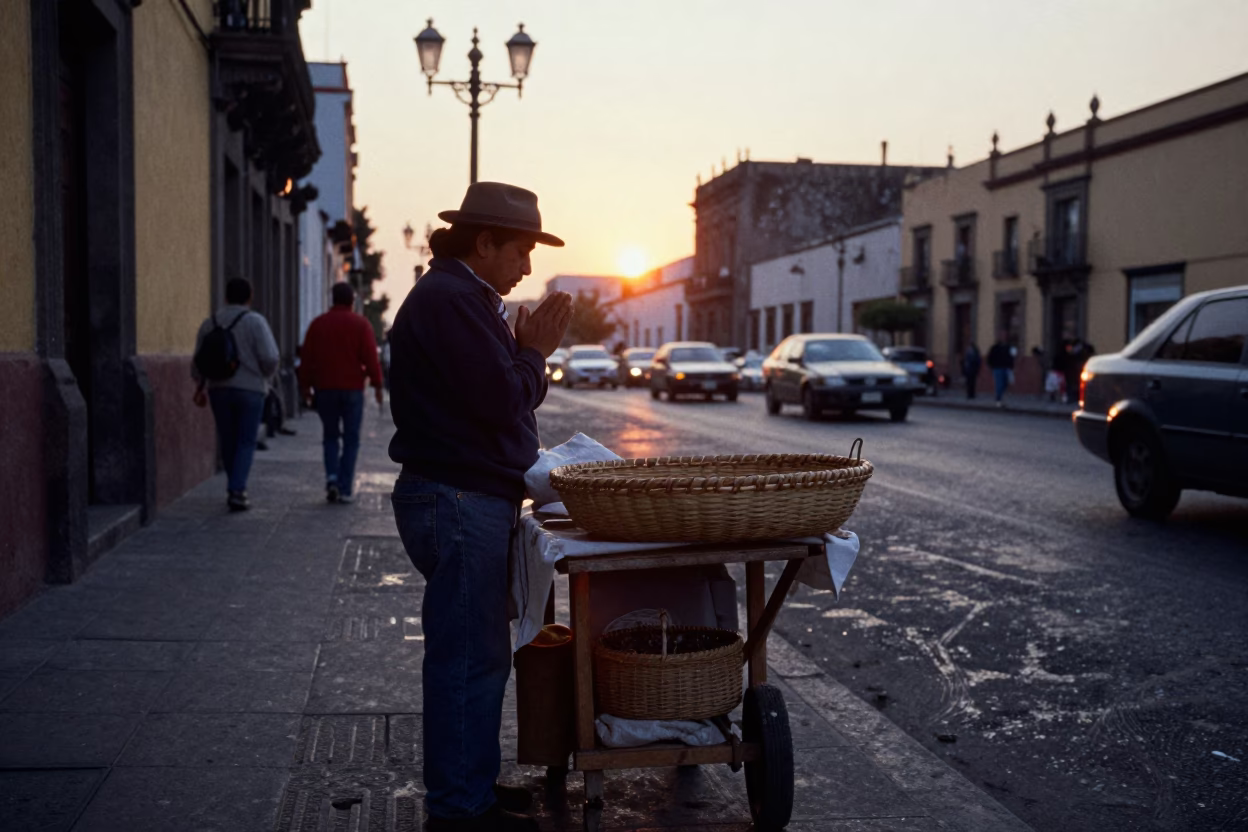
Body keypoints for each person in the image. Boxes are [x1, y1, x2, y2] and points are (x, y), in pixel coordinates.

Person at [388, 182, 573, 832]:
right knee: (467, 658)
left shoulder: (465, 298)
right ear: (485, 242)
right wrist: (533, 352)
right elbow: (501, 401)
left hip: (467, 497)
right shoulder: (454, 299)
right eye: (520, 251)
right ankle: (460, 811)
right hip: (458, 499)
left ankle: (472, 788)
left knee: (480, 654)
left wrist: (524, 355)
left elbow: (502, 401)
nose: (527, 267)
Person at [192, 277, 280, 511]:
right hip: (250, 390)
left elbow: (198, 362)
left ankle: (235, 485)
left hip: (217, 389)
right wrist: (266, 376)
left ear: (226, 297)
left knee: (228, 439)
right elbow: (270, 358)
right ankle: (237, 489)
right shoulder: (255, 322)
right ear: (250, 297)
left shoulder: (209, 323)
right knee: (246, 440)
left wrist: (201, 384)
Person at [298, 281, 384, 503]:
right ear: (352, 301)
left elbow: (307, 359)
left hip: (325, 389)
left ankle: (332, 478)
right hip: (352, 390)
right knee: (352, 438)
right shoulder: (361, 324)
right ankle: (345, 487)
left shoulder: (318, 325)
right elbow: (370, 358)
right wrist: (377, 385)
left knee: (330, 436)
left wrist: (305, 387)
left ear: (332, 299)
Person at [986, 332, 1015, 407]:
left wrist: (1011, 366)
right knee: (999, 384)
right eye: (1002, 336)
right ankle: (998, 400)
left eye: (1005, 336)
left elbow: (1011, 357)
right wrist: (991, 366)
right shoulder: (995, 348)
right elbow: (990, 358)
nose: (1003, 338)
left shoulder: (1008, 347)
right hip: (997, 368)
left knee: (1005, 384)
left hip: (1006, 368)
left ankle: (1001, 399)